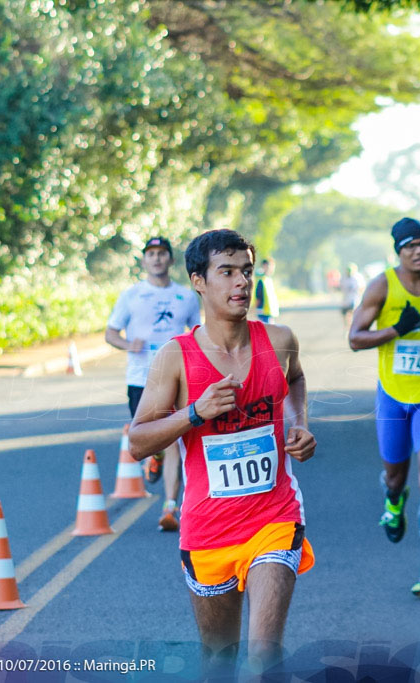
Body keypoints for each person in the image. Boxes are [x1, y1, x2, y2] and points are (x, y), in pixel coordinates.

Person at [128, 229, 316, 676]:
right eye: (227, 272)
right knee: (219, 661)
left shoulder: (280, 339)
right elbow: (137, 442)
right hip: (207, 528)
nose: (241, 283)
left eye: (247, 271)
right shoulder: (176, 357)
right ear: (198, 281)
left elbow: (296, 379)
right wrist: (194, 412)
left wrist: (301, 423)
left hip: (274, 516)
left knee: (264, 655)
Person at [348, 217, 420, 599]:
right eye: (410, 246)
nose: (419, 251)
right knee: (397, 477)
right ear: (398, 251)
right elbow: (355, 338)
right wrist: (396, 329)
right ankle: (393, 499)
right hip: (393, 398)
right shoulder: (382, 285)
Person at [104, 237, 201, 531]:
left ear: (171, 260)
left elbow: (197, 333)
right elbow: (110, 333)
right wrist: (126, 344)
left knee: (173, 440)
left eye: (162, 254)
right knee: (150, 439)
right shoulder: (132, 295)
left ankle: (170, 506)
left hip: (176, 377)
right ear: (144, 261)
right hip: (140, 378)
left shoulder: (186, 296)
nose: (157, 259)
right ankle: (154, 454)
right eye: (151, 255)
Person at [340, 263, 366, 327]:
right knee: (345, 315)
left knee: (352, 314)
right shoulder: (343, 278)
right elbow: (342, 288)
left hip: (355, 300)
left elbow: (362, 288)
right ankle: (348, 328)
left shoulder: (357, 278)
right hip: (346, 300)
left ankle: (353, 328)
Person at [254, 258, 279, 323]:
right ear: (264, 266)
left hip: (270, 313)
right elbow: (258, 297)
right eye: (270, 266)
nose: (272, 269)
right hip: (263, 313)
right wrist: (255, 310)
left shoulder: (269, 280)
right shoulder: (261, 280)